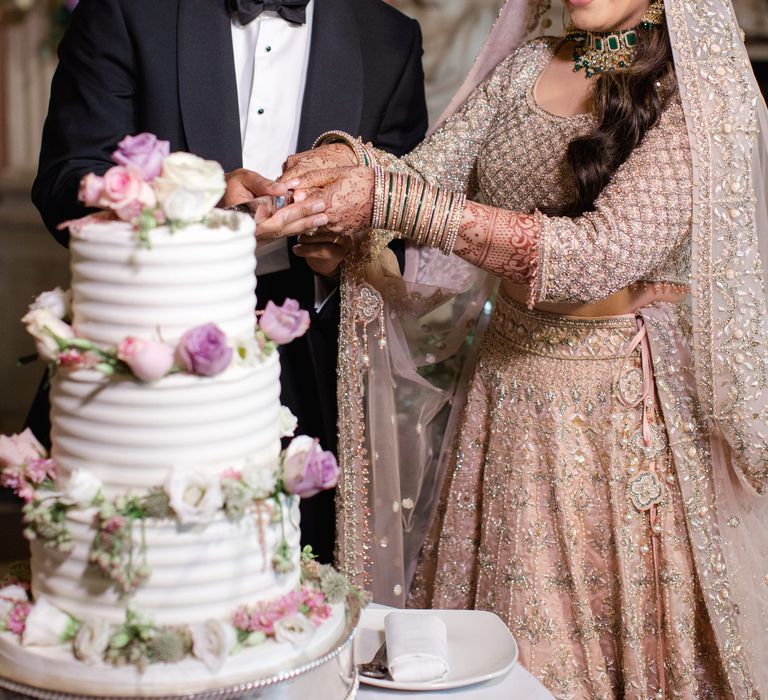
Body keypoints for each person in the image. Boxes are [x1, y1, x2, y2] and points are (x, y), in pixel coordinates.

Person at [274, 0, 768, 695]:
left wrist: (389, 203)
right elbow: (422, 176)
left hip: (616, 419)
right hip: (502, 400)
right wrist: (335, 174)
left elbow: (597, 255)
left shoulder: (697, 97)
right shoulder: (527, 69)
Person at [29, 0, 428, 563]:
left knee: (282, 591)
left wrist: (340, 254)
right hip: (145, 350)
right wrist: (197, 204)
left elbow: (400, 224)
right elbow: (65, 183)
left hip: (308, 370)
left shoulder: (388, 38)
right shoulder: (126, 10)